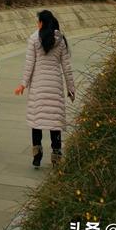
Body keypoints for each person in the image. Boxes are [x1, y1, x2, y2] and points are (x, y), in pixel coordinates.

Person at [14, 9, 75, 168]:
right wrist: (71, 88)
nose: (37, 23)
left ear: (42, 22)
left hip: (38, 86)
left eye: (38, 21)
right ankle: (56, 155)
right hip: (55, 85)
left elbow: (29, 64)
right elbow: (67, 67)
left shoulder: (34, 39)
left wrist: (23, 84)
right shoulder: (60, 40)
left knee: (37, 120)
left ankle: (37, 155)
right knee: (55, 120)